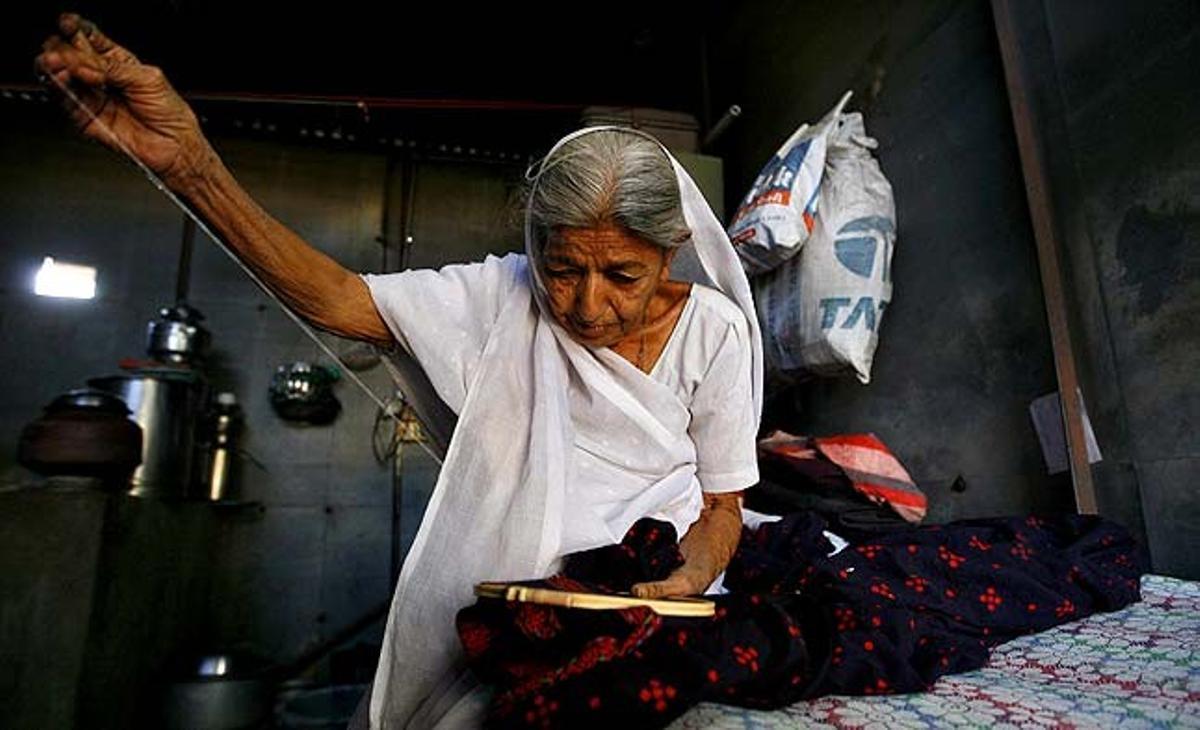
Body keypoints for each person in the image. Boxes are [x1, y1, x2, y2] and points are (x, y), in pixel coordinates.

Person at [36, 12, 764, 728]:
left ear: (671, 252)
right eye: (563, 269)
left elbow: (721, 507)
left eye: (623, 275)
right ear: (535, 243)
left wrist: (687, 582)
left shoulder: (715, 331)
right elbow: (339, 300)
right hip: (514, 592)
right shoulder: (502, 296)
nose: (588, 305)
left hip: (653, 586)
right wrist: (191, 166)